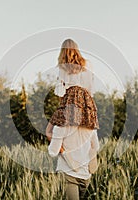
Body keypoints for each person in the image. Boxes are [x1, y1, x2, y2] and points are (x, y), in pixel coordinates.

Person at [46, 39, 100, 200]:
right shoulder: (88, 64)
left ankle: (67, 155)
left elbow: (60, 93)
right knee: (91, 132)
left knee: (50, 131)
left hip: (69, 104)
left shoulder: (62, 68)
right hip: (86, 104)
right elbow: (91, 89)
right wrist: (87, 105)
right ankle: (87, 159)